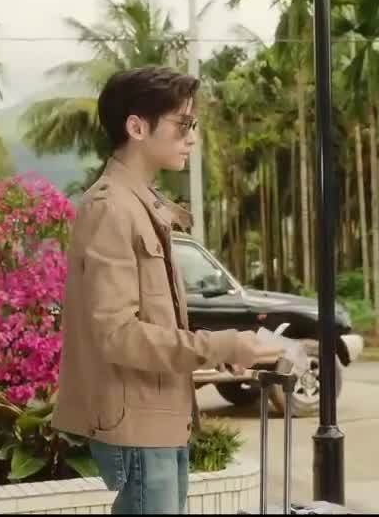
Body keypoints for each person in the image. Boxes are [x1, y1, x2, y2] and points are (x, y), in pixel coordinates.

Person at [52, 66, 283, 515]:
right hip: (136, 424)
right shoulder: (111, 209)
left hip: (160, 419)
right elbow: (117, 334)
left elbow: (155, 321)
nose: (192, 137)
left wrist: (224, 351)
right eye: (182, 124)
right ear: (137, 127)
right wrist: (220, 345)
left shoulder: (142, 205)